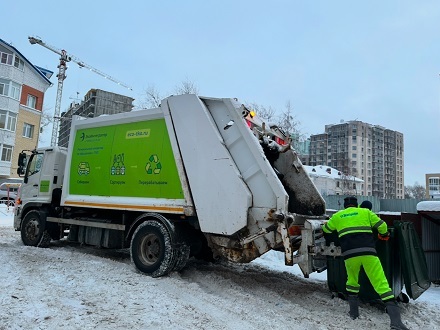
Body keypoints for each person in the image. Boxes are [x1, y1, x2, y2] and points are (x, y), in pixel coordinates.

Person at [322, 196, 409, 330]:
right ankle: (396, 322)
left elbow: (326, 230)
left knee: (352, 281)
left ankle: (354, 313)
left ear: (345, 206)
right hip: (368, 253)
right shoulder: (365, 212)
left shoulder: (338, 215)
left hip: (350, 255)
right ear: (357, 205)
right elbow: (383, 225)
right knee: (381, 284)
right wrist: (384, 234)